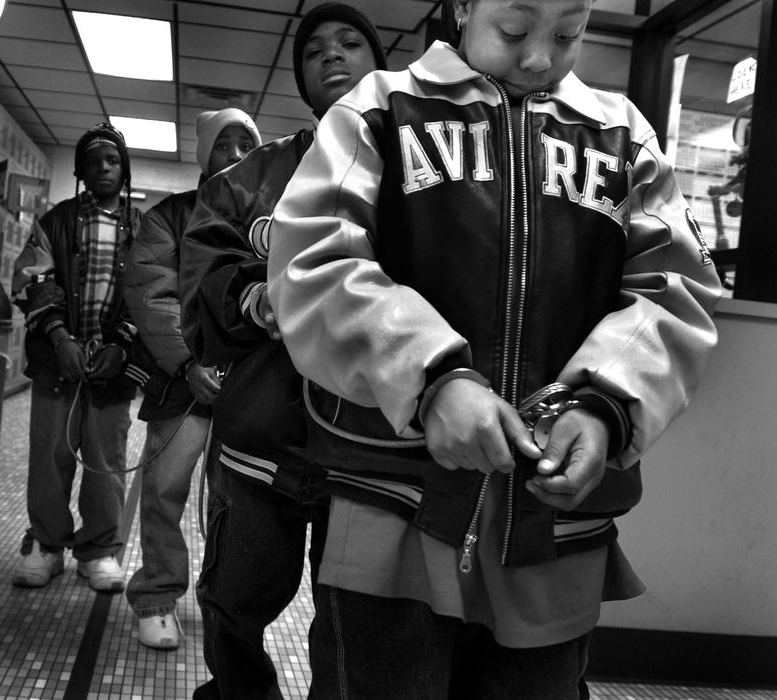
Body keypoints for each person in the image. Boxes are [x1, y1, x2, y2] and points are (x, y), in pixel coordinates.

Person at [266, 0, 723, 697]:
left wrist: (604, 405)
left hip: (553, 525)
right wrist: (432, 377)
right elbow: (315, 263)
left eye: (568, 34)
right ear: (461, 8)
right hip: (394, 503)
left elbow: (674, 290)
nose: (539, 57)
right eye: (513, 30)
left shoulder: (622, 134)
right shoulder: (380, 108)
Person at [179, 4, 386, 697]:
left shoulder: (422, 176)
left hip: (371, 449)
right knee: (234, 602)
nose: (332, 55)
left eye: (350, 42)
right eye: (314, 49)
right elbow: (201, 275)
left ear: (376, 61)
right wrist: (252, 297)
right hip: (259, 441)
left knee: (352, 621)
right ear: (298, 76)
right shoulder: (249, 178)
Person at [123, 108, 261, 650]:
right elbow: (150, 292)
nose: (236, 155)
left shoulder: (273, 219)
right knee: (164, 492)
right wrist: (187, 362)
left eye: (247, 143)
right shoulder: (168, 218)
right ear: (205, 155)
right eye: (224, 145)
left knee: (236, 502)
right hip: (182, 385)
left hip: (250, 389)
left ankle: (223, 600)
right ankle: (157, 597)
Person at [10, 122, 141, 594]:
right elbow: (30, 278)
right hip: (57, 363)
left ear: (124, 169)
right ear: (80, 171)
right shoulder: (55, 221)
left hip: (113, 367)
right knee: (51, 455)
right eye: (93, 162)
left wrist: (121, 343)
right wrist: (60, 336)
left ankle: (99, 550)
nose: (103, 168)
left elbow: (149, 294)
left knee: (106, 459)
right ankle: (46, 546)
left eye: (112, 160)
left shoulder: (143, 229)